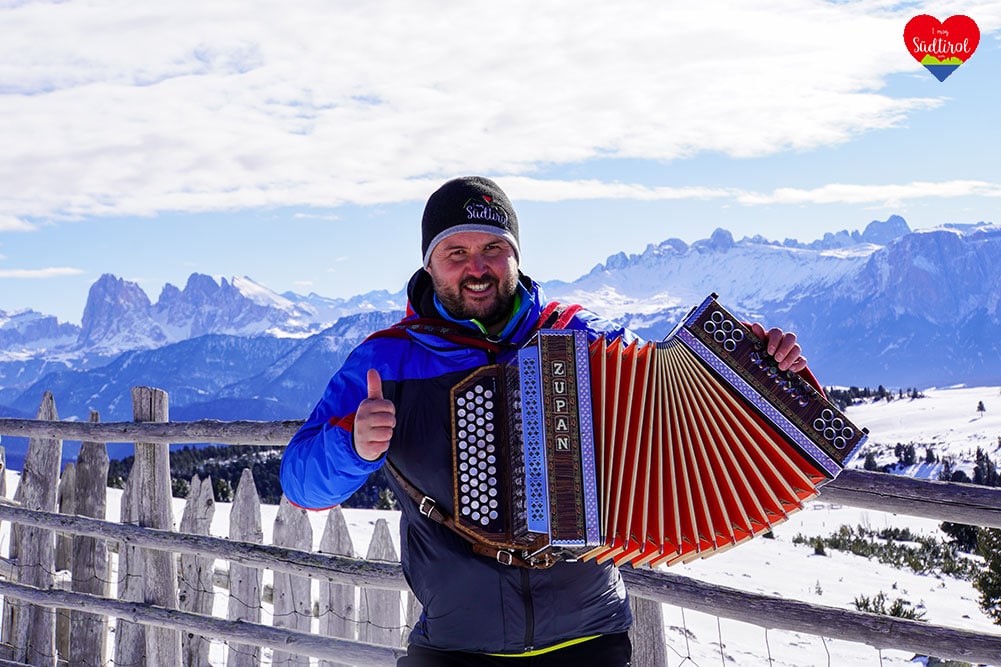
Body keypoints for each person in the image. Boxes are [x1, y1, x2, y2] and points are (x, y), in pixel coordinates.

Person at [279, 176, 809, 666]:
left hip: (591, 638)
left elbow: (677, 404)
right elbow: (301, 483)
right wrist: (351, 445)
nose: (477, 267)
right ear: (428, 265)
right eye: (455, 253)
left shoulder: (581, 338)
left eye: (493, 248)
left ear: (516, 256)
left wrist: (767, 369)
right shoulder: (388, 359)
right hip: (457, 647)